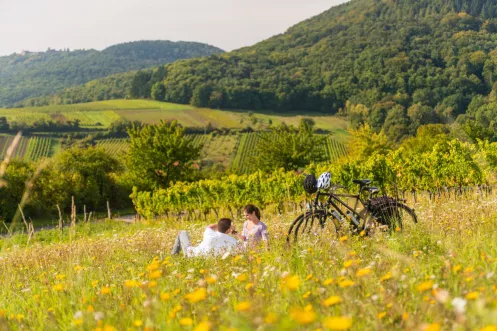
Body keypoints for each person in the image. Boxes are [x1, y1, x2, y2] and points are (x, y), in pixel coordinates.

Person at [171, 218, 238, 257]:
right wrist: (235, 232)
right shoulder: (232, 240)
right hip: (206, 257)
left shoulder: (210, 234)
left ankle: (174, 254)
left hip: (192, 253)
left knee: (182, 232)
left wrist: (222, 224)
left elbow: (210, 226)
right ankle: (174, 254)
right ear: (229, 230)